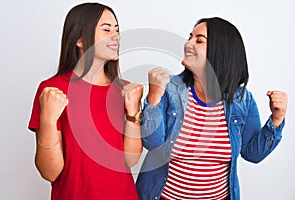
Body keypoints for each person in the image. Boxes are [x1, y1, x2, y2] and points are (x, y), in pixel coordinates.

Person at [136, 17, 287, 200]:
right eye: (189, 37)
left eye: (199, 40)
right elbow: (153, 144)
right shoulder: (168, 89)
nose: (188, 43)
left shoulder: (242, 100)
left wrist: (276, 120)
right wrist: (153, 99)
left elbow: (252, 154)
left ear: (220, 52)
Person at [28, 3, 143, 200]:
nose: (116, 36)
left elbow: (130, 160)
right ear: (80, 39)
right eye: (106, 29)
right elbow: (50, 173)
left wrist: (133, 113)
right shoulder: (52, 90)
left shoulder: (125, 90)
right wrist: (47, 120)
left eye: (117, 30)